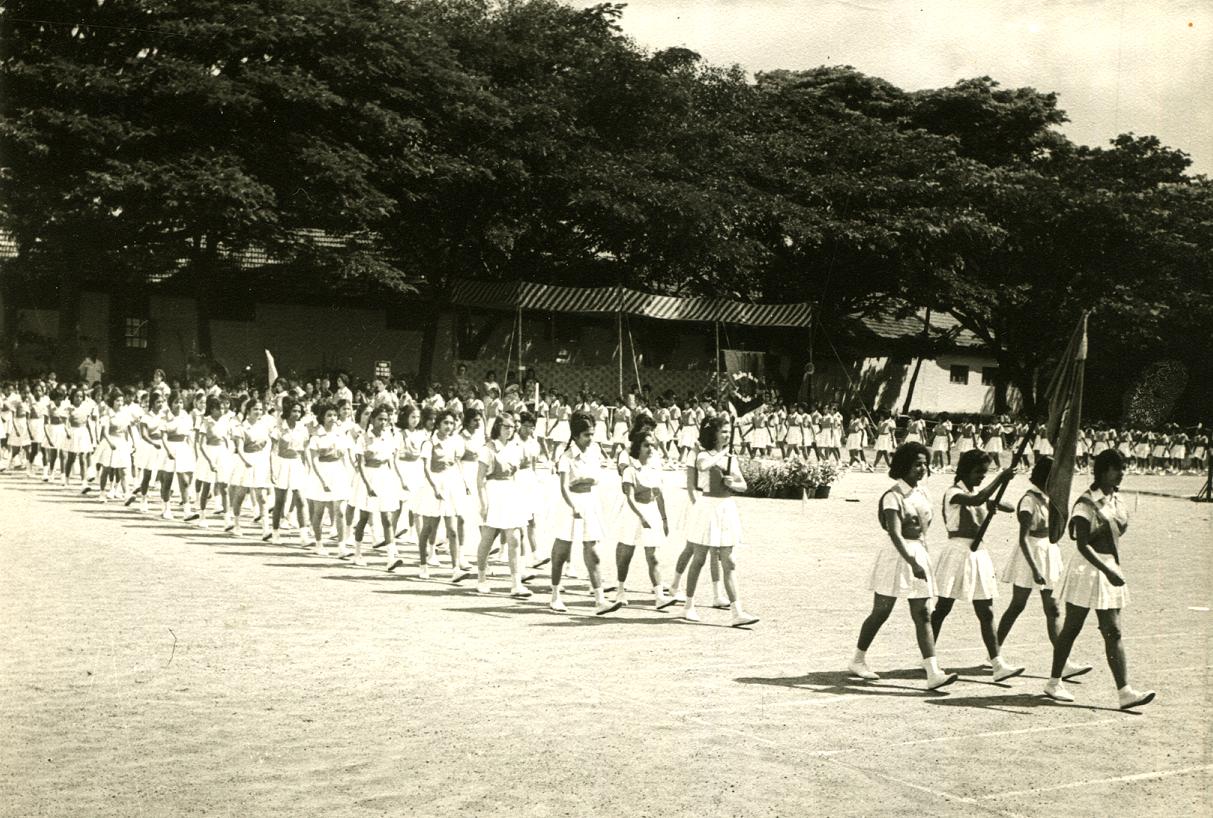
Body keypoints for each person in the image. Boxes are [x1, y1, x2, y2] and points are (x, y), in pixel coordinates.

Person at [1044, 450, 1154, 710]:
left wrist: (1110, 568)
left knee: (1113, 630)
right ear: (1103, 471)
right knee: (1072, 627)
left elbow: (1118, 530)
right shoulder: (1086, 502)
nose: (1122, 473)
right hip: (1088, 569)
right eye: (1117, 469)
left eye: (1123, 468)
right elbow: (1082, 544)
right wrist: (1107, 570)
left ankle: (1124, 692)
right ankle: (1053, 681)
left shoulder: (1116, 500)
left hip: (1108, 567)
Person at [847, 441, 958, 691]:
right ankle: (857, 659)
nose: (922, 469)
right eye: (917, 464)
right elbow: (895, 534)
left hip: (918, 552)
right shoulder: (892, 496)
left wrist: (921, 556)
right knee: (881, 612)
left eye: (925, 464)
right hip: (896, 556)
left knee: (923, 613)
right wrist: (912, 561)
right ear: (904, 465)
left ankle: (933, 672)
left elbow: (925, 527)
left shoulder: (923, 493)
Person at [994, 456, 1093, 681]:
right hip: (1030, 555)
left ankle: (1063, 662)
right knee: (1017, 605)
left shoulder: (1051, 499)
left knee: (1054, 609)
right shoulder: (1029, 500)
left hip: (1048, 552)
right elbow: (1023, 538)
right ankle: (994, 651)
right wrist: (1035, 569)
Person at [928, 450, 1024, 682]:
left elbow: (1008, 507)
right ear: (965, 470)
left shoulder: (976, 493)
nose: (982, 476)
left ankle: (997, 664)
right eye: (978, 472)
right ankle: (927, 657)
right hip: (957, 552)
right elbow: (976, 500)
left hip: (978, 554)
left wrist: (996, 500)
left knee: (986, 610)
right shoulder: (954, 493)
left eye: (985, 472)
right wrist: (999, 478)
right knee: (942, 609)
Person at [680, 415, 759, 626]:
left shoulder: (730, 458)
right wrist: (724, 454)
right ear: (712, 434)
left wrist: (733, 483)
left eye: (727, 431)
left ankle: (737, 612)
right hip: (707, 508)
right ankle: (688, 605)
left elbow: (744, 486)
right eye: (722, 431)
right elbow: (704, 466)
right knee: (699, 558)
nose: (726, 435)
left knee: (729, 561)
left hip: (726, 508)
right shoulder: (703, 454)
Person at [546, 411, 621, 615]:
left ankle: (600, 600)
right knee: (561, 551)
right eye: (587, 435)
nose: (590, 438)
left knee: (592, 550)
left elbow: (595, 479)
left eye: (592, 434)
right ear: (577, 435)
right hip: (569, 505)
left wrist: (583, 482)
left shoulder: (594, 452)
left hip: (589, 502)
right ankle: (555, 597)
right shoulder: (566, 456)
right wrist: (573, 506)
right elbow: (563, 487)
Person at [615, 431, 676, 611]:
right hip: (633, 514)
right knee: (626, 554)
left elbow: (659, 496)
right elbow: (630, 498)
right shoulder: (629, 470)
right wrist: (641, 517)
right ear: (638, 448)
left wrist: (664, 519)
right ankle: (620, 591)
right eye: (646, 445)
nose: (650, 449)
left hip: (651, 512)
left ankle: (659, 597)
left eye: (652, 445)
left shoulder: (654, 469)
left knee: (653, 556)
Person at [473, 414, 531, 597]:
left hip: (510, 494)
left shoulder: (515, 448)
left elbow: (516, 474)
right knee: (488, 539)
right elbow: (480, 479)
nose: (510, 430)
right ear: (498, 427)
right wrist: (483, 504)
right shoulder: (488, 449)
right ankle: (481, 579)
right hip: (493, 493)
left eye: (513, 427)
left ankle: (516, 584)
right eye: (506, 426)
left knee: (514, 538)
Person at [350, 405, 404, 567]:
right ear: (372, 420)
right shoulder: (363, 438)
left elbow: (392, 462)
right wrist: (368, 486)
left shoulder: (389, 437)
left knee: (387, 517)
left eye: (386, 420)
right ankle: (358, 553)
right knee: (364, 518)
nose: (383, 422)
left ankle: (390, 558)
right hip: (368, 477)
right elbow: (360, 464)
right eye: (380, 419)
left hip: (384, 477)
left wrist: (398, 480)